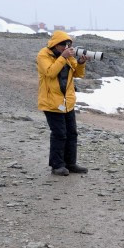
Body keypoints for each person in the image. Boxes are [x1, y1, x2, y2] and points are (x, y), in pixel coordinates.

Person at [36, 31, 88, 176]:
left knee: (72, 133)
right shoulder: (43, 55)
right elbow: (50, 72)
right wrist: (63, 57)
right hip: (52, 102)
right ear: (54, 44)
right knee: (59, 134)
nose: (66, 47)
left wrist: (81, 63)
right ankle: (57, 165)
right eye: (63, 44)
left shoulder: (67, 56)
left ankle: (70, 163)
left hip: (67, 102)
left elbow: (78, 74)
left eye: (68, 44)